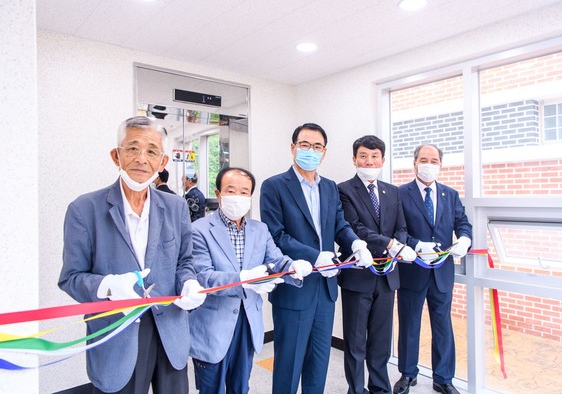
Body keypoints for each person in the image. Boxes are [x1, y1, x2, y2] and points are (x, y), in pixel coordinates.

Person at [58, 116, 207, 394]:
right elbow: (71, 278)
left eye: (152, 151)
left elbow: (185, 262)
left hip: (170, 331)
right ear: (116, 155)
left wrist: (189, 282)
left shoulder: (176, 207)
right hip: (116, 335)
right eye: (132, 148)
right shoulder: (84, 209)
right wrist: (107, 286)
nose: (141, 158)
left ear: (162, 163)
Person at [260, 123, 374, 394]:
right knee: (288, 364)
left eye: (317, 147)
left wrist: (356, 243)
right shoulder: (274, 186)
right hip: (294, 289)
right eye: (305, 145)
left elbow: (339, 224)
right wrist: (315, 256)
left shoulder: (330, 187)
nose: (311, 151)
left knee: (319, 364)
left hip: (325, 291)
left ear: (324, 153)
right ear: (293, 148)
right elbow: (277, 235)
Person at [188, 167, 313, 394]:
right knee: (211, 389)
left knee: (240, 386)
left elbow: (276, 260)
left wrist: (293, 267)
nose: (238, 196)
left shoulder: (260, 229)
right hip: (213, 326)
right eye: (231, 190)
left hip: (248, 321)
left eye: (244, 192)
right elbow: (202, 277)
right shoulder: (199, 230)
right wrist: (243, 279)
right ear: (218, 193)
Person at [337, 135, 417, 394]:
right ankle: (356, 390)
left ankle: (380, 389)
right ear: (354, 159)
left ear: (382, 159)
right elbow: (354, 227)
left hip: (387, 277)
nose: (369, 161)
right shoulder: (344, 189)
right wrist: (391, 244)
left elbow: (401, 227)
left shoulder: (392, 191)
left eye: (374, 157)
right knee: (356, 342)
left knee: (381, 342)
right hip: (359, 276)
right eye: (363, 156)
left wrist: (399, 247)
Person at [394, 144, 472, 394]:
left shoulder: (450, 194)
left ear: (441, 164)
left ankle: (443, 378)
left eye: (434, 160)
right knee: (409, 324)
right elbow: (398, 230)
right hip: (412, 270)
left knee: (443, 325)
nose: (429, 164)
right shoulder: (400, 194)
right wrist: (416, 245)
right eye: (424, 159)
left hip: (441, 273)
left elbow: (463, 223)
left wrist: (464, 239)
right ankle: (407, 374)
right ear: (415, 163)